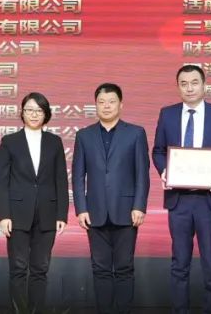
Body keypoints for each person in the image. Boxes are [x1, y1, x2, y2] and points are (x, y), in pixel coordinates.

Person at [151, 65, 211, 314]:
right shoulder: (167, 114)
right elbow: (158, 151)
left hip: (208, 200)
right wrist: (164, 171)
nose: (189, 88)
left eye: (194, 82)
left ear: (204, 85)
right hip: (178, 200)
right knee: (179, 263)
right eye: (184, 83)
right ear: (178, 87)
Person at [72, 83, 150, 314]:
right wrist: (81, 208)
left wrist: (139, 206)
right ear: (95, 105)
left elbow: (142, 173)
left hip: (127, 211)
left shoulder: (136, 133)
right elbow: (77, 176)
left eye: (111, 101)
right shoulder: (84, 135)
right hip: (94, 212)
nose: (106, 106)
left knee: (125, 268)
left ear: (121, 105)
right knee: (100, 269)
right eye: (101, 102)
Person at [0, 92, 69, 312]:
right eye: (29, 110)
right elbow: (2, 182)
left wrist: (62, 214)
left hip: (48, 213)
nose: (34, 114)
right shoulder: (10, 142)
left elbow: (61, 180)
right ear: (22, 113)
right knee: (18, 269)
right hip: (17, 214)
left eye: (39, 110)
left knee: (40, 269)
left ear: (46, 114)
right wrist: (4, 215)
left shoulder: (54, 142)